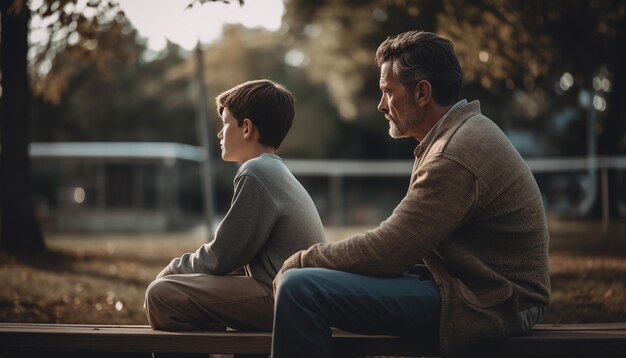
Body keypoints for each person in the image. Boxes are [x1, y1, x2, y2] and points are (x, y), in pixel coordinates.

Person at [271, 31, 550, 357]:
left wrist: (302, 260)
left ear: (422, 92)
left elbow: (388, 251)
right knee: (313, 281)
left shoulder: (455, 153)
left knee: (300, 289)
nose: (381, 105)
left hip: (493, 301)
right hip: (466, 285)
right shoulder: (456, 135)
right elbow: (401, 244)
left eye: (388, 91)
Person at [145, 79, 326, 333]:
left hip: (284, 299)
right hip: (295, 296)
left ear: (246, 128)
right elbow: (237, 260)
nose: (220, 134)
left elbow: (221, 256)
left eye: (225, 123)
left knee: (162, 294)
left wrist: (172, 270)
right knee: (176, 291)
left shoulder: (256, 171)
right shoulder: (274, 169)